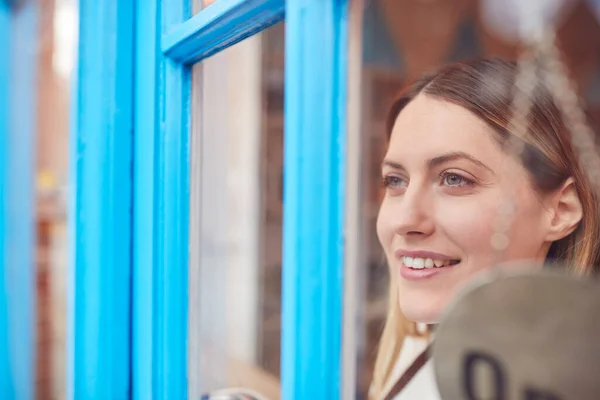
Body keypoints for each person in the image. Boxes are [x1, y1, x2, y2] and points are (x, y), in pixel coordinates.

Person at [369, 58, 600, 399]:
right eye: (396, 180)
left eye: (454, 179)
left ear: (561, 210)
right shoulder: (420, 348)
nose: (406, 220)